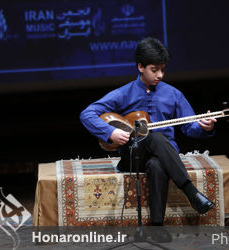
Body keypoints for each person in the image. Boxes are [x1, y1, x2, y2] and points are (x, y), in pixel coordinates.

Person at [80, 37, 216, 242]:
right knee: (157, 138)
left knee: (157, 164)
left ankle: (157, 227)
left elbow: (190, 128)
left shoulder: (174, 94)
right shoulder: (123, 93)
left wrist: (205, 127)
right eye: (155, 69)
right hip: (133, 156)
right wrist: (110, 133)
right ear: (140, 67)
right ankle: (190, 192)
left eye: (163, 69)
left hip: (164, 156)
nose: (160, 75)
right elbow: (87, 114)